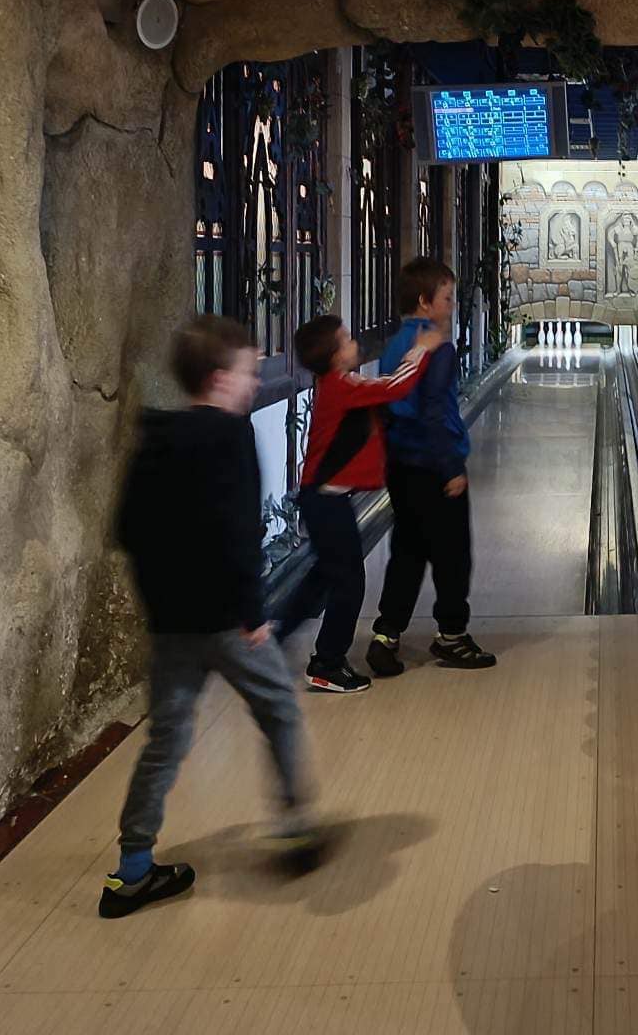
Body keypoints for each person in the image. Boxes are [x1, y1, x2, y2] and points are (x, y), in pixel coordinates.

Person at [101, 316, 322, 919]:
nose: (255, 383)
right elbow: (238, 533)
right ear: (222, 379)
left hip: (171, 626)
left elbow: (127, 530)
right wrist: (253, 613)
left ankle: (132, 870)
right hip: (229, 622)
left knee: (166, 740)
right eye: (250, 372)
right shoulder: (231, 436)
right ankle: (296, 831)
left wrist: (161, 603)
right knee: (278, 711)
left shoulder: (154, 438)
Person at [277, 313, 442, 693]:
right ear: (337, 355)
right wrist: (420, 350)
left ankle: (274, 636)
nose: (355, 342)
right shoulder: (341, 385)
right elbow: (394, 387)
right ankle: (326, 662)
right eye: (348, 338)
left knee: (325, 575)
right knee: (349, 582)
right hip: (325, 501)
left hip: (323, 497)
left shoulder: (337, 384)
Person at [368, 258, 497, 674]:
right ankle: (452, 636)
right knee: (453, 554)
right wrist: (451, 467)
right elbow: (436, 412)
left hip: (402, 466)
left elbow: (390, 405)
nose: (451, 305)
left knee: (406, 551)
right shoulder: (437, 347)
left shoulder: (393, 346)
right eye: (447, 298)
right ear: (425, 301)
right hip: (434, 466)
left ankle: (386, 634)